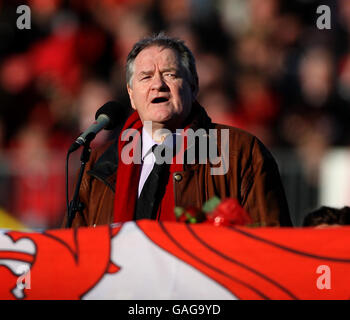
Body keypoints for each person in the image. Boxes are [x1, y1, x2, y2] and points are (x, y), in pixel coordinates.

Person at [63, 33, 292, 228]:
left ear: (193, 87)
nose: (158, 84)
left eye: (170, 74)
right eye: (146, 77)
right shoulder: (98, 165)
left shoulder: (241, 153)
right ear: (132, 95)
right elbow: (75, 254)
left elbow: (270, 245)